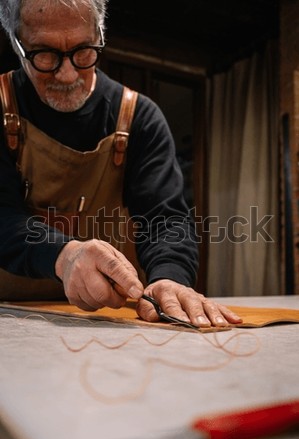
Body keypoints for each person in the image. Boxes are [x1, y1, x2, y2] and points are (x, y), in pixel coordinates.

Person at [0, 0, 242, 328]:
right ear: (16, 42)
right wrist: (63, 254)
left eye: (84, 50)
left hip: (108, 321)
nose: (67, 74)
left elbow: (165, 219)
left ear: (100, 33)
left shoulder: (140, 117)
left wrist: (170, 277)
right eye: (44, 53)